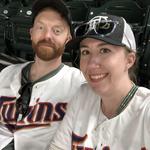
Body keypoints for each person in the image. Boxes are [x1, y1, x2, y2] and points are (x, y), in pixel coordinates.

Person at [50, 14, 150, 149]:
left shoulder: (146, 109)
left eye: (104, 50)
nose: (91, 64)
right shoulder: (83, 95)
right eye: (85, 52)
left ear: (129, 60)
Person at [0, 0, 85, 149]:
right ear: (31, 33)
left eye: (57, 30)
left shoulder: (79, 83)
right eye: (40, 27)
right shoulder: (7, 73)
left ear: (68, 39)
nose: (47, 36)